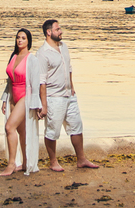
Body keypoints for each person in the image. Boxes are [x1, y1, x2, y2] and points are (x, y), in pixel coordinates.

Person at [25, 19, 98, 171]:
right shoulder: (42, 54)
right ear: (49, 32)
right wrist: (43, 106)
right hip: (53, 98)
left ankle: (82, 159)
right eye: (58, 29)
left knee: (76, 126)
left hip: (69, 95)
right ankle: (53, 162)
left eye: (60, 29)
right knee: (53, 130)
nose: (61, 31)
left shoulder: (63, 46)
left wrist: (72, 86)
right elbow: (41, 82)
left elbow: (69, 68)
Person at [0, 28, 33, 176]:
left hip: (26, 96)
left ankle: (12, 164)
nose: (20, 40)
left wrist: (38, 104)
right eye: (18, 37)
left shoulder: (31, 59)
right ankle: (25, 163)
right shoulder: (13, 56)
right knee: (21, 131)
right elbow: (9, 81)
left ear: (28, 41)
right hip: (13, 96)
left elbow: (37, 82)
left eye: (23, 38)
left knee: (9, 127)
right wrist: (5, 99)